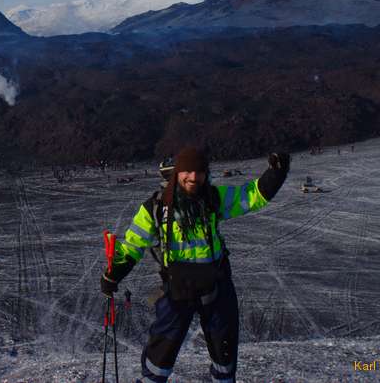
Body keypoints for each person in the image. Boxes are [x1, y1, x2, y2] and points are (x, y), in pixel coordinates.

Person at [100, 146, 290, 383]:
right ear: (177, 172)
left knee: (224, 347)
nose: (193, 177)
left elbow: (250, 196)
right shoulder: (154, 208)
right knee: (162, 349)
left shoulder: (212, 198)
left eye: (199, 171)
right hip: (177, 290)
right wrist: (113, 274)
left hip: (216, 286)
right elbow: (132, 245)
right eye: (187, 171)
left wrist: (276, 174)